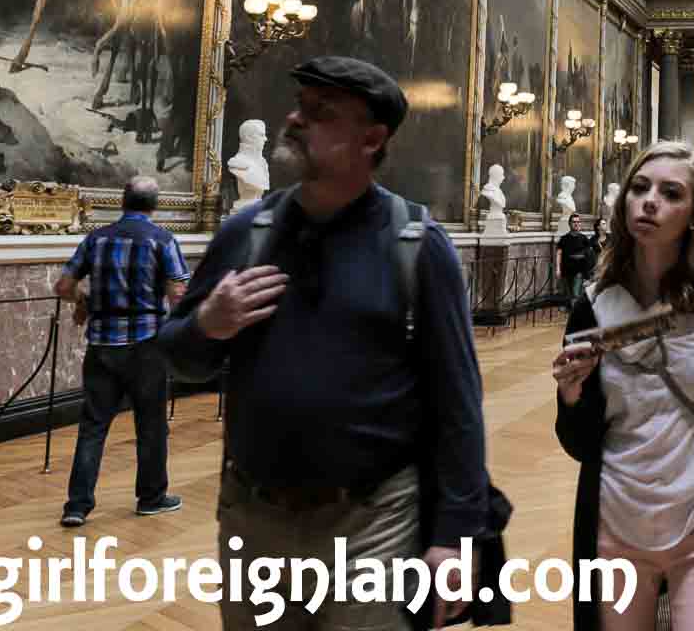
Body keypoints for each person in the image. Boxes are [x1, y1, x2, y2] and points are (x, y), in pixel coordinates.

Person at [156, 57, 496, 630]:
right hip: (252, 519)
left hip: (373, 524)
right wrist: (206, 325)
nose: (294, 120)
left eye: (319, 114)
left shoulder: (416, 246)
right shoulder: (246, 235)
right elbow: (180, 359)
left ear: (371, 139)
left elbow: (458, 402)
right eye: (299, 105)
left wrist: (455, 535)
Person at [553, 142, 694, 630]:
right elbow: (580, 442)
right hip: (615, 521)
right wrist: (571, 396)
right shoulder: (594, 306)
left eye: (669, 192)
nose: (649, 200)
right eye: (639, 188)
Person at [54, 176, 187, 528]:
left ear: (122, 201)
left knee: (94, 425)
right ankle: (151, 497)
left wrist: (83, 301)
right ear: (154, 205)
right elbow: (177, 296)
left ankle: (77, 506)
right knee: (151, 425)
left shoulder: (96, 239)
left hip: (101, 346)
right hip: (146, 347)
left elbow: (64, 286)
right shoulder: (163, 240)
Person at [558, 212, 596, 306]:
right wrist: (558, 269)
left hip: (579, 271)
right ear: (569, 224)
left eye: (578, 222)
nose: (576, 224)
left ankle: (574, 314)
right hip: (566, 270)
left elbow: (590, 254)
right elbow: (559, 253)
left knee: (575, 294)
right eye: (574, 222)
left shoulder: (584, 238)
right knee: (569, 294)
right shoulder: (564, 238)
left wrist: (588, 272)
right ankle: (572, 310)